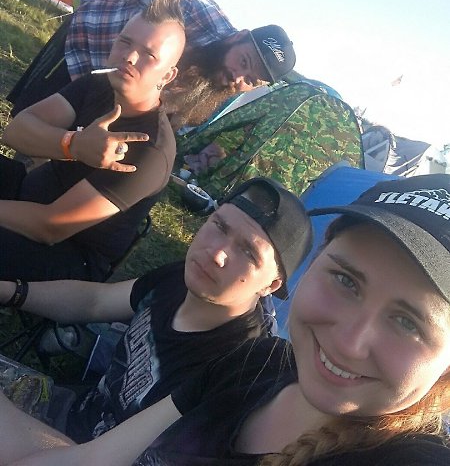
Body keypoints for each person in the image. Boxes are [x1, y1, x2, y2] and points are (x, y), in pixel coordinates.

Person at [2, 173, 449, 466]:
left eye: (408, 322)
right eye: (346, 280)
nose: (350, 342)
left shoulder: (408, 457)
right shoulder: (253, 366)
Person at [0, 177, 313, 455]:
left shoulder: (235, 371)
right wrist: (11, 292)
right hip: (67, 412)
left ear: (270, 285)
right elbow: (95, 301)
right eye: (220, 226)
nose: (217, 254)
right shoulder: (182, 278)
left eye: (247, 252)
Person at [0, 0, 185, 282]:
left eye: (149, 55)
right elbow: (15, 131)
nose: (130, 57)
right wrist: (72, 145)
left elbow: (50, 227)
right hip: (26, 194)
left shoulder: (150, 148)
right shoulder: (99, 84)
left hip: (70, 254)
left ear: (167, 75)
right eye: (125, 42)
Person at [65, 0, 296, 93]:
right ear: (238, 37)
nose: (237, 78)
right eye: (244, 61)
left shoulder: (215, 84)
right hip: (82, 43)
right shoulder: (192, 8)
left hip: (106, 84)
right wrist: (124, 10)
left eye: (250, 80)